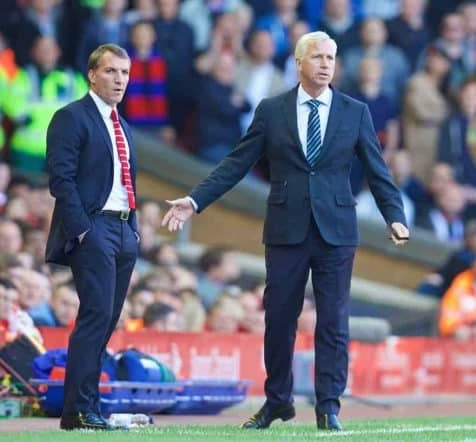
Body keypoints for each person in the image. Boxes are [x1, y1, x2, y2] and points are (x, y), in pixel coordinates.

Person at [161, 30, 409, 432]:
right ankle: (278, 401)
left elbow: (379, 171)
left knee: (333, 321)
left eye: (331, 57)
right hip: (286, 230)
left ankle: (328, 405)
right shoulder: (271, 110)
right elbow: (236, 163)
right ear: (298, 62)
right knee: (278, 319)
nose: (326, 64)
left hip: (337, 232)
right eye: (318, 57)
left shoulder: (355, 111)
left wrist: (394, 215)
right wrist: (194, 201)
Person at [45, 43, 139, 430]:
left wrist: (134, 228)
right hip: (94, 227)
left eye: (124, 73)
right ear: (92, 74)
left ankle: (89, 406)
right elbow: (61, 179)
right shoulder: (71, 117)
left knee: (107, 320)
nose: (119, 80)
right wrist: (82, 229)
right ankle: (77, 411)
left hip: (123, 228)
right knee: (95, 316)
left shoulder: (124, 126)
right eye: (111, 71)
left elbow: (128, 179)